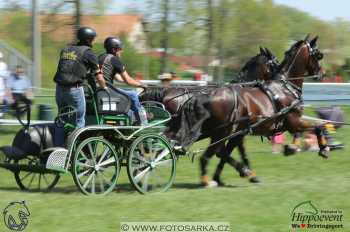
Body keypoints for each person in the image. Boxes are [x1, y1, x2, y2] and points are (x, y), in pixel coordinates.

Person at [54, 26, 106, 128]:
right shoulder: (88, 53)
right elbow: (99, 77)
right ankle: (76, 143)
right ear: (89, 39)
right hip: (74, 90)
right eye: (93, 39)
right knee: (79, 120)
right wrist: (104, 87)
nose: (94, 41)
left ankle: (58, 142)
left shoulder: (66, 49)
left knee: (61, 120)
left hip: (59, 89)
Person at [98, 37, 148, 125]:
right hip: (107, 92)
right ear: (114, 49)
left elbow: (119, 78)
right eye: (120, 49)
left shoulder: (101, 57)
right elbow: (127, 80)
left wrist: (134, 82)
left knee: (127, 95)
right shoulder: (114, 60)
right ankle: (143, 123)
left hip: (98, 91)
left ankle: (130, 120)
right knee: (132, 95)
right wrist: (141, 85)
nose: (121, 51)